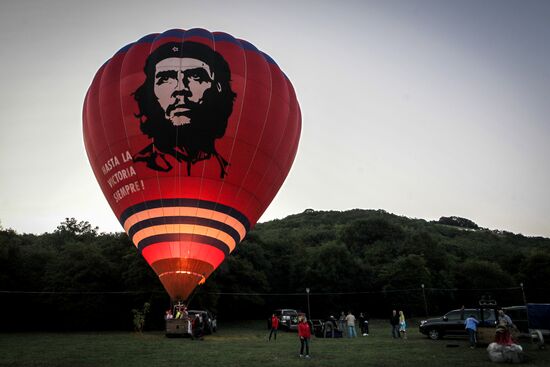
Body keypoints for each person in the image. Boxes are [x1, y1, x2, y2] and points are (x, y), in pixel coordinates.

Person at [133, 41, 237, 177]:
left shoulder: (231, 172)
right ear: (150, 92)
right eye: (165, 78)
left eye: (196, 76)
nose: (180, 89)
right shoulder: (138, 166)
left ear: (218, 88)